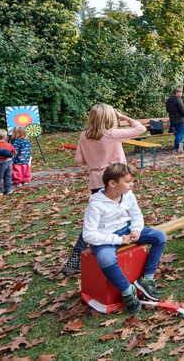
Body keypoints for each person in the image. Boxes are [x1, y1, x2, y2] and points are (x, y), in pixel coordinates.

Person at [60, 105, 146, 276]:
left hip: (96, 181)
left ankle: (78, 259)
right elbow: (141, 128)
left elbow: (79, 160)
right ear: (110, 117)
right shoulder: (112, 134)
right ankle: (107, 250)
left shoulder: (85, 135)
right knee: (118, 215)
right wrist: (123, 116)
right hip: (117, 179)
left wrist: (96, 160)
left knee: (98, 220)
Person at [82, 163, 167, 314]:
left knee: (159, 236)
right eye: (127, 182)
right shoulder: (95, 205)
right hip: (105, 238)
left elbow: (136, 215)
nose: (131, 185)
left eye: (131, 181)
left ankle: (147, 279)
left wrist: (136, 230)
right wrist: (119, 240)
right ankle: (128, 291)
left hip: (126, 230)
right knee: (106, 259)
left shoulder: (128, 195)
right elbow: (89, 235)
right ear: (112, 183)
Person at [0, 129, 17, 195]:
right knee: (8, 176)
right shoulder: (9, 145)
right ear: (6, 137)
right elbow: (15, 153)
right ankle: (9, 190)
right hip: (9, 163)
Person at [166, 87, 184, 154]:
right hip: (180, 119)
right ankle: (176, 148)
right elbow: (182, 110)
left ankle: (180, 147)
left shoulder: (169, 100)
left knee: (179, 133)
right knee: (179, 133)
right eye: (180, 92)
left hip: (172, 118)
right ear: (176, 93)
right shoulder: (178, 100)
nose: (182, 93)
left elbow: (167, 110)